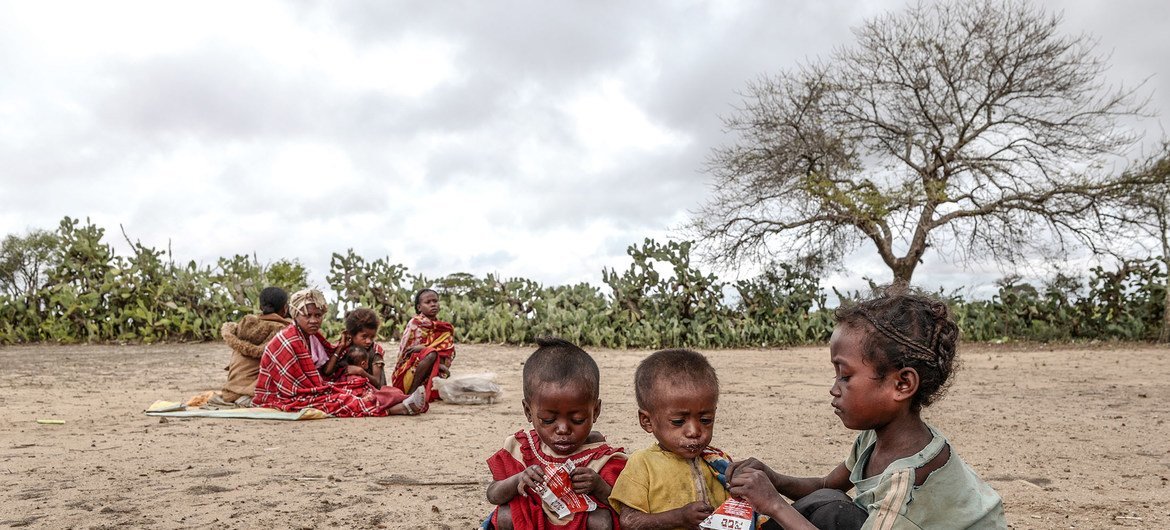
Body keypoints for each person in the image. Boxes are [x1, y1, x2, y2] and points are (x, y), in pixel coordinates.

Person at [726, 286, 1007, 529]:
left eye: (846, 377)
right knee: (829, 503)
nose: (834, 388)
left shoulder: (906, 480)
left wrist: (775, 505)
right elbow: (826, 486)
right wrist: (772, 479)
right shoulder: (875, 438)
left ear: (902, 384)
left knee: (832, 513)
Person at [484, 337, 626, 530]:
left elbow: (625, 508)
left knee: (601, 521)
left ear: (596, 411)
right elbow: (493, 495)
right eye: (548, 420)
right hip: (532, 522)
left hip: (578, 522)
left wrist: (599, 486)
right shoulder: (522, 448)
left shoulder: (603, 459)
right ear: (528, 411)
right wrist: (519, 479)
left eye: (577, 420)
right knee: (506, 515)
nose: (563, 429)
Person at [609, 348, 757, 529]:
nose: (694, 431)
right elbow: (629, 521)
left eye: (705, 420)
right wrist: (678, 518)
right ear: (647, 421)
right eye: (678, 422)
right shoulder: (642, 464)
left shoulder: (717, 463)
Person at [253, 289, 426, 417]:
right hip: (287, 395)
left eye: (318, 315)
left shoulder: (313, 336)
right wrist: (326, 386)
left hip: (314, 386)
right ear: (295, 315)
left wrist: (340, 349)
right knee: (341, 399)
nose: (314, 320)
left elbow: (325, 372)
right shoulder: (289, 339)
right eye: (308, 316)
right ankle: (399, 408)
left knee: (358, 387)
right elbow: (297, 386)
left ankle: (401, 399)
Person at [214, 286, 291, 407]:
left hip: (231, 389)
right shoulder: (283, 330)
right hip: (250, 391)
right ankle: (250, 396)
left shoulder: (245, 324)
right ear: (285, 308)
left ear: (261, 307)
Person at [391, 288, 455, 408]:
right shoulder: (415, 323)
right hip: (408, 372)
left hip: (433, 370)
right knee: (431, 353)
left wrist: (425, 349)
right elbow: (407, 353)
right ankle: (411, 394)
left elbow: (447, 350)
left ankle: (428, 388)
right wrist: (426, 349)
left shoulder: (444, 328)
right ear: (419, 307)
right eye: (428, 302)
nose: (433, 304)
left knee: (432, 353)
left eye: (435, 301)